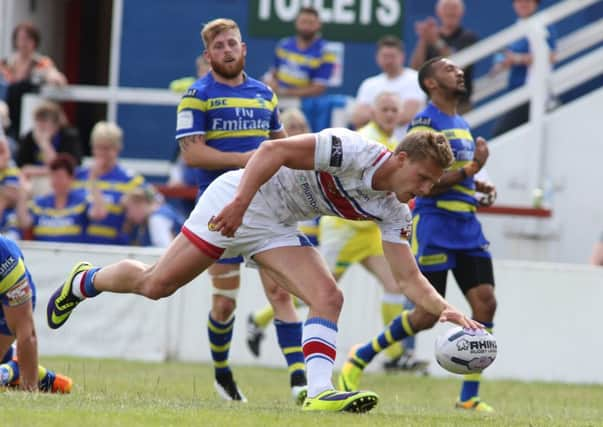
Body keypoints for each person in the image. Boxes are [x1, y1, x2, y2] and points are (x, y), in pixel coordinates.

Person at [46, 126, 483, 412]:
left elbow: (408, 278)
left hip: (275, 224)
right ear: (402, 159)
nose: (426, 189)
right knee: (156, 284)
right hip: (237, 199)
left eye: (432, 183)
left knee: (328, 296)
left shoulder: (395, 209)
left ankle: (318, 392)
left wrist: (446, 311)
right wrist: (238, 205)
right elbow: (272, 149)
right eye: (424, 178)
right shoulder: (352, 151)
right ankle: (84, 280)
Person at [339, 57, 498, 412]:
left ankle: (469, 398)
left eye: (458, 68)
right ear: (431, 84)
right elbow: (428, 184)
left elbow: (457, 176)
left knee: (486, 302)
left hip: (467, 225)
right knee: (426, 316)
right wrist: (471, 169)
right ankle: (361, 356)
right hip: (437, 225)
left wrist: (477, 184)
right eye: (448, 69)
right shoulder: (427, 123)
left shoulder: (462, 123)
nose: (458, 71)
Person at [171, 18, 307, 403]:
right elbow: (193, 152)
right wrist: (245, 160)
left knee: (280, 293)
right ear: (208, 55)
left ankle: (299, 382)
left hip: (267, 206)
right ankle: (222, 373)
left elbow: (281, 147)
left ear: (243, 48)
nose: (227, 50)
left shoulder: (265, 94)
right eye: (219, 46)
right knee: (225, 301)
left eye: (232, 44)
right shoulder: (197, 95)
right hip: (219, 207)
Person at [320, 92, 426, 372]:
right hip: (344, 228)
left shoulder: (399, 143)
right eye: (385, 109)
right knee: (314, 290)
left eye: (395, 109)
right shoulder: (366, 138)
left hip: (370, 231)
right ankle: (261, 320)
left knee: (394, 286)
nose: (390, 114)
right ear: (373, 112)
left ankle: (395, 356)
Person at [245, 108, 314, 357]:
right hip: (272, 234)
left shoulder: (313, 161)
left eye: (300, 127)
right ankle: (299, 374)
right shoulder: (269, 161)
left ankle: (258, 320)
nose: (295, 132)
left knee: (310, 295)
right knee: (281, 293)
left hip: (305, 238)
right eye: (290, 127)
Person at [0, 235, 72, 392]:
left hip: (6, 302)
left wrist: (30, 390)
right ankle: (17, 367)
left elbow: (26, 334)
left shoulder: (6, 260)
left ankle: (17, 369)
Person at [491, 0, 557, 136]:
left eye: (527, 1)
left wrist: (517, 59)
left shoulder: (542, 23)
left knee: (500, 133)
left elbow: (550, 56)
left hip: (532, 91)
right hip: (517, 91)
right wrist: (501, 63)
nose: (523, 3)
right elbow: (505, 55)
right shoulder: (518, 28)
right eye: (519, 1)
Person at [73, 121, 145, 245]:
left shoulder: (129, 179)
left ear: (118, 149)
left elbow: (154, 201)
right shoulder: (78, 176)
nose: (102, 153)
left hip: (116, 247)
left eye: (107, 148)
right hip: (81, 246)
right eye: (98, 147)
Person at [16, 153, 107, 243]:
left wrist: (94, 179)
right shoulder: (40, 203)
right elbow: (24, 224)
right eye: (53, 176)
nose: (56, 181)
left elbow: (99, 214)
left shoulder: (82, 201)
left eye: (60, 177)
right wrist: (22, 194)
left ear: (71, 178)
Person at [352, 36, 426, 141]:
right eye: (385, 56)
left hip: (408, 146)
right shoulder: (369, 84)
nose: (388, 60)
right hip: (374, 147)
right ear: (377, 57)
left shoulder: (414, 79)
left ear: (402, 56)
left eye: (392, 56)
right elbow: (357, 118)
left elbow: (406, 116)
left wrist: (374, 113)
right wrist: (388, 115)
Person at [0, 22, 67, 139]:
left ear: (34, 41)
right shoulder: (6, 63)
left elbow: (56, 77)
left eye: (28, 39)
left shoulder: (40, 63)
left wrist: (52, 77)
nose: (24, 43)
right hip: (8, 116)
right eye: (20, 38)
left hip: (31, 115)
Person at [409, 0, 478, 112]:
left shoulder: (468, 37)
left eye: (454, 8)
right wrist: (423, 39)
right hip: (433, 105)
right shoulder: (430, 39)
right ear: (439, 12)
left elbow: (457, 65)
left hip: (459, 106)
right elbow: (415, 68)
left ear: (461, 13)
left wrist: (436, 41)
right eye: (446, 8)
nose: (450, 12)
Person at [264, 7, 334, 99]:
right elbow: (273, 73)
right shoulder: (284, 44)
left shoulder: (326, 52)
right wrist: (269, 81)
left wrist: (284, 92)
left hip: (305, 103)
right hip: (277, 98)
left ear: (319, 25)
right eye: (303, 22)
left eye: (311, 23)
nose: (306, 26)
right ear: (296, 22)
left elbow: (318, 88)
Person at [17, 100, 83, 178]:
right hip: (34, 181)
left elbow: (64, 169)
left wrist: (45, 144)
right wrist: (46, 171)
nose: (40, 126)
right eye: (38, 121)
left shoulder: (69, 137)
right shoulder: (29, 137)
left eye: (44, 122)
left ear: (56, 125)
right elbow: (22, 167)